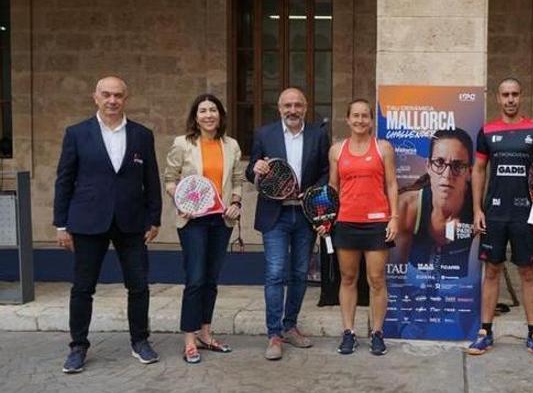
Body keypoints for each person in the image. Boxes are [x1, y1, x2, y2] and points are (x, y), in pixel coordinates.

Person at [53, 76, 162, 373]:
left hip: (132, 222)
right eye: (106, 95)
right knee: (83, 288)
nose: (112, 100)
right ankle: (78, 346)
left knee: (139, 286)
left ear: (126, 99)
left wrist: (155, 218)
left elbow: (151, 179)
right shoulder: (77, 133)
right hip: (88, 221)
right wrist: (61, 224)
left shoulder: (142, 134)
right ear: (95, 97)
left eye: (118, 95)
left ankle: (140, 341)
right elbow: (64, 180)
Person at [467, 78, 533, 359]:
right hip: (493, 213)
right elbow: (478, 169)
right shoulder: (487, 131)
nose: (510, 99)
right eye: (505, 94)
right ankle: (484, 332)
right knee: (491, 271)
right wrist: (477, 209)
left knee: (528, 272)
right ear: (498, 98)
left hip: (524, 213)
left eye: (515, 94)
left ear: (521, 96)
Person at [246, 88, 330, 361]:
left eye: (297, 105)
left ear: (305, 107)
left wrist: (314, 191)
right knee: (275, 273)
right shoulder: (264, 134)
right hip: (275, 215)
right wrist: (256, 169)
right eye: (287, 105)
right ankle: (274, 334)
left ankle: (290, 325)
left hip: (305, 215)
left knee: (300, 272)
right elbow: (251, 171)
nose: (292, 110)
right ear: (279, 108)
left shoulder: (318, 135)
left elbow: (326, 172)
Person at [164, 94, 245, 364]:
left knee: (211, 279)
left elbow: (236, 180)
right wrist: (180, 200)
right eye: (203, 111)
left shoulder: (231, 145)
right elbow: (170, 178)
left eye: (213, 110)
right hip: (194, 221)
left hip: (220, 220)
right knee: (196, 279)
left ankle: (206, 333)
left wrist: (236, 202)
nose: (208, 115)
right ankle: (190, 339)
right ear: (195, 117)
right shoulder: (183, 144)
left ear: (220, 115)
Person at [388, 128, 481, 340]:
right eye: (439, 163)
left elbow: (475, 287)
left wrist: (462, 231)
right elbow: (394, 278)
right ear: (428, 166)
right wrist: (403, 325)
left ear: (469, 171)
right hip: (414, 289)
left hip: (458, 295)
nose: (447, 175)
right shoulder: (408, 207)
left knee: (465, 287)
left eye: (457, 166)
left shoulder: (477, 210)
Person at [327, 99, 399, 356]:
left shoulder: (383, 148)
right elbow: (333, 187)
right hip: (345, 221)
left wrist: (394, 217)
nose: (360, 120)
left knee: (377, 280)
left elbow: (391, 184)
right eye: (355, 116)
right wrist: (327, 217)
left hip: (377, 222)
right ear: (348, 119)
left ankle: (377, 333)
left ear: (371, 120)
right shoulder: (337, 150)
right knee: (348, 278)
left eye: (365, 116)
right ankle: (348, 332)